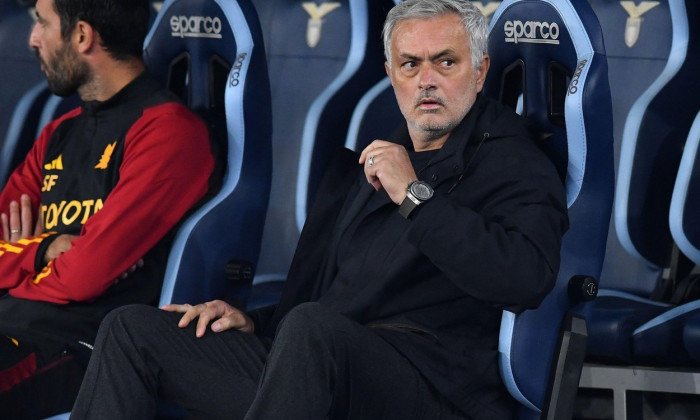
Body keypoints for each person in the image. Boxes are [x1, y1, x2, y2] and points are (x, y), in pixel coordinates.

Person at [70, 0, 568, 418]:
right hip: (321, 365)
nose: (426, 81)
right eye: (411, 64)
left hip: (433, 384)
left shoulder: (515, 162)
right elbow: (341, 294)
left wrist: (415, 196)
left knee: (313, 330)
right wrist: (256, 323)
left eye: (446, 62)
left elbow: (524, 279)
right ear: (391, 74)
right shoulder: (379, 157)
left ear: (480, 72)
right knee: (131, 330)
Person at [0, 0, 214, 417]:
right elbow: (76, 266)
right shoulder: (58, 134)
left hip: (81, 348)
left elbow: (84, 277)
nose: (32, 38)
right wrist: (45, 250)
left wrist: (18, 263)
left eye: (42, 24)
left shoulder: (169, 131)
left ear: (82, 35)